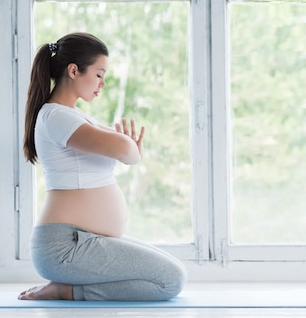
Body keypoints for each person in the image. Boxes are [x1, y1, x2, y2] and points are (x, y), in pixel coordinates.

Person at [19, 32, 187, 301]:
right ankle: (68, 290)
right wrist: (129, 148)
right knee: (170, 281)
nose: (103, 83)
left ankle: (68, 288)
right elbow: (125, 150)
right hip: (65, 247)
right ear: (74, 70)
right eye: (98, 74)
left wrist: (129, 149)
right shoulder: (57, 116)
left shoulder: (73, 116)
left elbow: (128, 151)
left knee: (172, 269)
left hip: (80, 241)